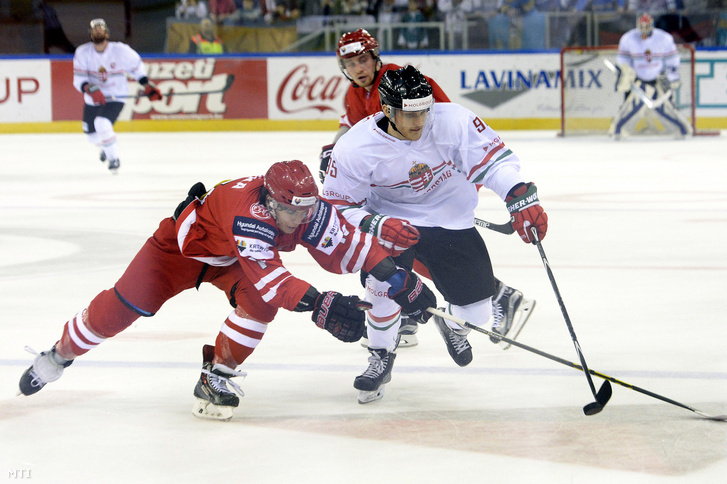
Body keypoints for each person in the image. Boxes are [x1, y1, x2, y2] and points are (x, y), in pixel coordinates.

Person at [17, 160, 435, 421]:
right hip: (178, 252)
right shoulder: (248, 215)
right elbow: (273, 279)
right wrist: (320, 302)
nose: (299, 219)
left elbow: (349, 243)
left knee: (258, 306)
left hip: (230, 260)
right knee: (122, 309)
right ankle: (58, 356)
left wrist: (394, 274)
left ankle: (217, 375)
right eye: (290, 211)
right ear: (271, 202)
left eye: (306, 210)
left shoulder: (305, 206)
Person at [322, 66, 549, 403]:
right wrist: (376, 224)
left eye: (424, 110)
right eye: (409, 114)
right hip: (391, 222)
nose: (420, 121)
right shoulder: (356, 146)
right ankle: (381, 355)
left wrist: (517, 194)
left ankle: (453, 326)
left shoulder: (452, 120)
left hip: (451, 218)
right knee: (382, 285)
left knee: (478, 313)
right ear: (386, 110)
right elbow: (337, 206)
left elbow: (493, 162)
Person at [73, 18, 162, 173]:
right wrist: (91, 89)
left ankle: (114, 159)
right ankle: (106, 148)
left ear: (107, 33)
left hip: (116, 95)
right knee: (91, 134)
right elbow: (79, 78)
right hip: (94, 98)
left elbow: (136, 68)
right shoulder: (82, 52)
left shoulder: (120, 50)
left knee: (102, 124)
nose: (98, 31)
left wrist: (147, 85)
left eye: (101, 29)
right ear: (91, 34)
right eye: (95, 29)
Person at [609, 13, 692, 138]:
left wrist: (671, 77)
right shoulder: (628, 38)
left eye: (646, 26)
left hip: (658, 80)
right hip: (637, 80)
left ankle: (681, 130)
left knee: (667, 108)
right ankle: (618, 131)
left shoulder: (664, 38)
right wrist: (626, 74)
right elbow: (623, 60)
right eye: (641, 26)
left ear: (652, 26)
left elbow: (672, 59)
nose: (644, 30)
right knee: (629, 107)